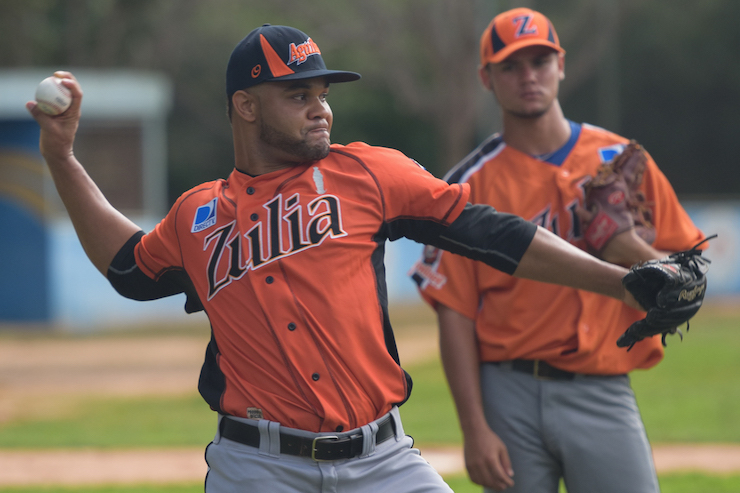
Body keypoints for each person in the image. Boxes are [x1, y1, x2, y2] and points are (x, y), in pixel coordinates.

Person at [29, 23, 647, 493]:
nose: (320, 107)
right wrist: (62, 158)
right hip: (257, 467)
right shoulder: (198, 216)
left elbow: (494, 234)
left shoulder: (368, 173)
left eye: (322, 92)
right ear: (246, 106)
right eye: (298, 94)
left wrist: (622, 283)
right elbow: (129, 269)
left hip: (384, 461)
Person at [410, 8, 705, 493]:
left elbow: (688, 278)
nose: (529, 76)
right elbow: (454, 314)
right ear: (487, 78)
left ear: (561, 65)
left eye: (540, 61)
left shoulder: (620, 160)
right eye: (511, 66)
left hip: (602, 385)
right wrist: (474, 430)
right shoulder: (468, 185)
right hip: (508, 391)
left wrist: (627, 245)